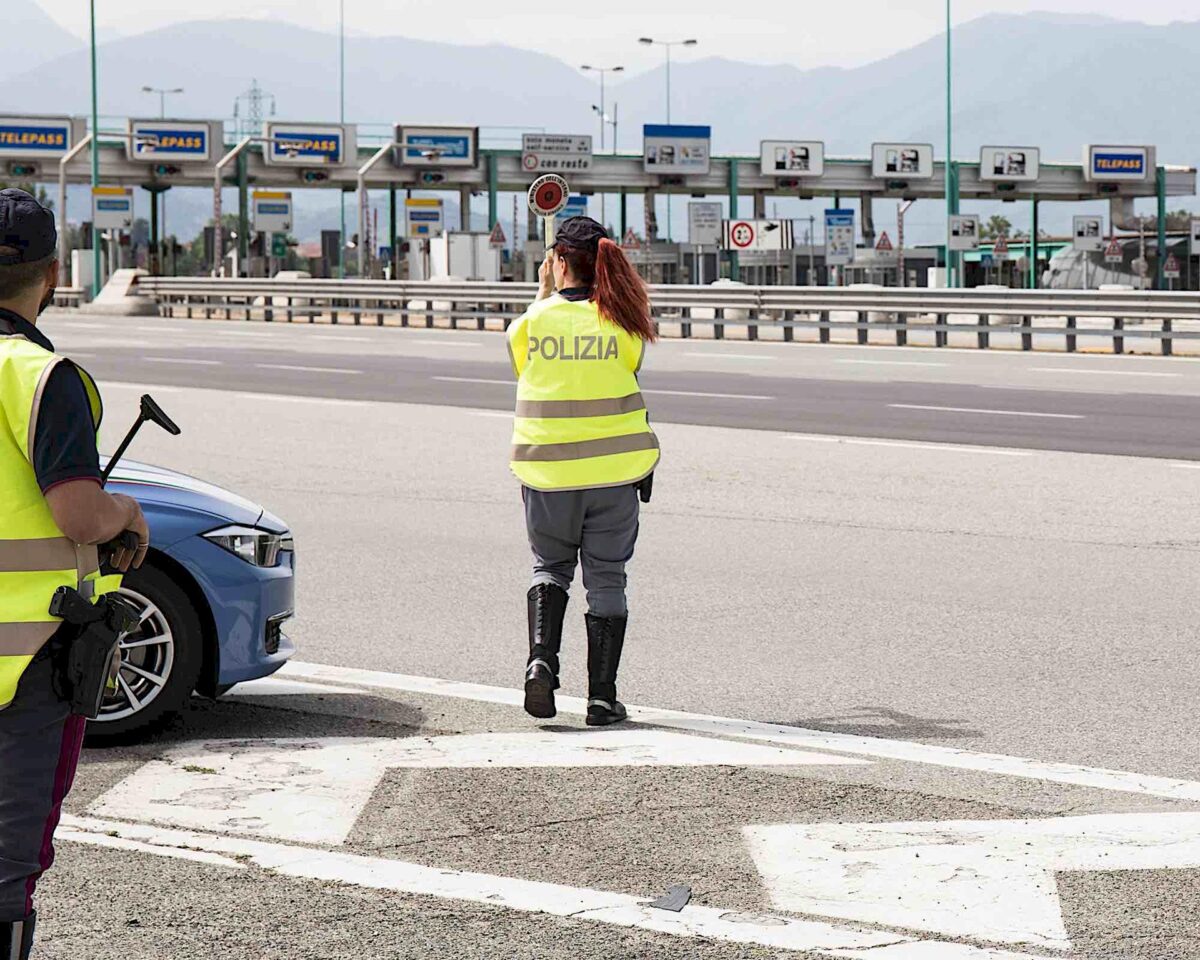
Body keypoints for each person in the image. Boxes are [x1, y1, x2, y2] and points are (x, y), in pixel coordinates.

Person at [0, 189, 149, 959]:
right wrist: (124, 510)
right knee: (6, 869)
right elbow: (78, 518)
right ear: (53, 273)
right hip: (26, 660)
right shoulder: (40, 374)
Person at [506, 216, 659, 727]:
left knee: (550, 570)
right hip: (615, 477)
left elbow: (522, 360)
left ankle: (540, 664)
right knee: (607, 580)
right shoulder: (626, 323)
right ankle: (601, 697)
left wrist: (542, 294)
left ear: (559, 261)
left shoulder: (532, 323)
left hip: (547, 478)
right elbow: (629, 370)